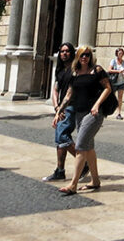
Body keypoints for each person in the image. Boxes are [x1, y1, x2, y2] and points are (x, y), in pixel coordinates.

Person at [52, 45, 113, 195]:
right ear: (78, 57)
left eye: (87, 54)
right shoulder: (76, 73)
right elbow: (68, 95)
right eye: (82, 55)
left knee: (80, 146)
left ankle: (73, 184)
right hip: (80, 112)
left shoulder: (97, 70)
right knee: (89, 148)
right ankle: (95, 181)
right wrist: (58, 111)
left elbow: (108, 88)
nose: (85, 57)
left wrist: (97, 105)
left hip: (94, 114)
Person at [44, 42, 80, 181]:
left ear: (72, 53)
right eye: (62, 51)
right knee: (60, 139)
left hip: (70, 107)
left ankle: (84, 163)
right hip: (61, 108)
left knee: (63, 135)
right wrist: (56, 108)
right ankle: (60, 170)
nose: (64, 53)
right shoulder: (59, 70)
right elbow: (55, 89)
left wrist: (61, 110)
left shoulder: (74, 70)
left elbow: (70, 93)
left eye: (67, 51)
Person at [108, 47, 124, 120]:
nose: (121, 55)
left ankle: (119, 113)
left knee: (120, 98)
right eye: (119, 53)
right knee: (112, 97)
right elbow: (109, 70)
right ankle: (109, 110)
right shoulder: (113, 61)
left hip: (121, 81)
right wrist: (118, 71)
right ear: (117, 54)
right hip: (114, 82)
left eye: (122, 53)